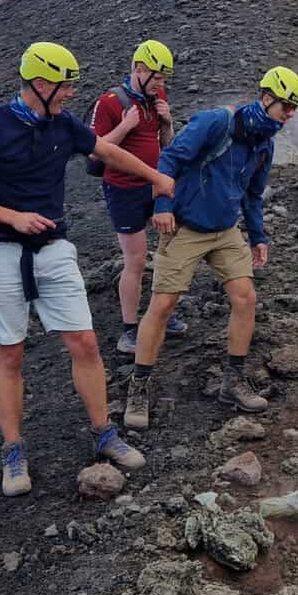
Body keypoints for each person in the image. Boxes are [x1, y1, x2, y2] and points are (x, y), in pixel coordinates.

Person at [0, 42, 176, 497]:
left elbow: (109, 153)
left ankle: (104, 432)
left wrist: (157, 178)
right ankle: (13, 450)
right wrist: (12, 217)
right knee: (10, 353)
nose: (71, 93)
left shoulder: (63, 125)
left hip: (52, 245)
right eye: (65, 85)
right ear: (40, 82)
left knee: (85, 342)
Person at [129, 66, 298, 425]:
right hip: (185, 226)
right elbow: (170, 159)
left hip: (225, 230)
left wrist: (258, 237)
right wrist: (162, 206)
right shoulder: (216, 123)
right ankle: (138, 387)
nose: (290, 114)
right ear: (266, 98)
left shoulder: (264, 144)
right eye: (286, 106)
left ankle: (232, 382)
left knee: (245, 297)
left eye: (294, 108)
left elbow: (253, 195)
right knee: (163, 304)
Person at [90, 39, 191, 359]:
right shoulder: (108, 102)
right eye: (157, 77)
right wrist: (125, 126)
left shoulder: (158, 97)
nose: (161, 84)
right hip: (123, 190)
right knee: (135, 259)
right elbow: (94, 150)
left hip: (154, 185)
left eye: (164, 78)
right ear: (139, 69)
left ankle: (162, 311)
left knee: (171, 246)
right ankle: (129, 330)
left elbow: (167, 144)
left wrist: (168, 122)